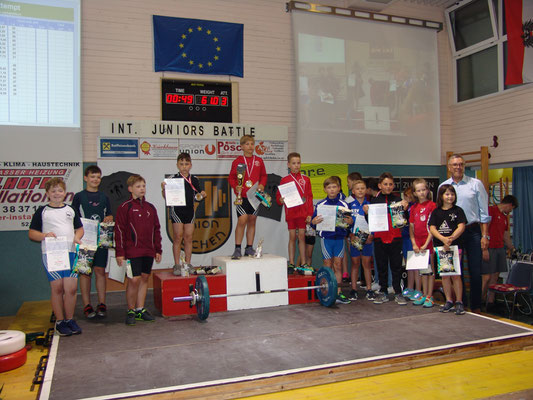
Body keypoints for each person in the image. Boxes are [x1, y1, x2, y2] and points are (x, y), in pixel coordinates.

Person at [29, 177, 84, 336]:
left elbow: (79, 229)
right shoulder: (42, 211)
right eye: (53, 191)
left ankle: (70, 319)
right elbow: (32, 233)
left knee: (71, 288)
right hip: (52, 253)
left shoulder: (71, 210)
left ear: (65, 192)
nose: (57, 193)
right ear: (47, 193)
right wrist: (45, 235)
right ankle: (60, 321)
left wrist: (77, 236)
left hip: (71, 252)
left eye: (60, 190)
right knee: (58, 288)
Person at [441, 154, 490, 312]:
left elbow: (484, 212)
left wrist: (484, 235)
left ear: (464, 166)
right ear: (449, 167)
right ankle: (461, 303)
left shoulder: (476, 184)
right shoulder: (444, 186)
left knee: (475, 271)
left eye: (460, 164)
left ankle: (476, 306)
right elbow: (439, 211)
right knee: (456, 270)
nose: (458, 167)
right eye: (454, 164)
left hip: (473, 231)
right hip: (451, 234)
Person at [115, 175, 162, 326]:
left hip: (148, 251)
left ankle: (140, 309)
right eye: (138, 186)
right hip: (132, 251)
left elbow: (157, 229)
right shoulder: (125, 207)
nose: (142, 189)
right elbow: (119, 231)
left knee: (144, 278)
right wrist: (120, 252)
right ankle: (130, 310)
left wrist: (158, 249)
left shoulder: (150, 208)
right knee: (133, 280)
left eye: (143, 186)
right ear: (130, 189)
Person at [71, 165, 113, 320]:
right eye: (92, 177)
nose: (95, 179)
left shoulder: (104, 197)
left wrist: (109, 218)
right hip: (84, 240)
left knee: (100, 271)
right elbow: (73, 218)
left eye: (98, 177)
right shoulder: (79, 197)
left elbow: (108, 215)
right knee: (85, 273)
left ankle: (102, 303)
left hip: (101, 239)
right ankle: (87, 305)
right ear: (85, 178)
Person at [364, 172, 408, 305]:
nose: (388, 187)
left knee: (396, 267)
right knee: (381, 266)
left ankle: (397, 293)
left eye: (390, 184)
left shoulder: (398, 200)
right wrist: (367, 213)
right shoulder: (375, 201)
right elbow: (371, 222)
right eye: (385, 184)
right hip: (380, 238)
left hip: (395, 238)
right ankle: (383, 291)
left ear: (393, 185)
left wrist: (405, 210)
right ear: (380, 185)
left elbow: (403, 221)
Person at [161, 153, 206, 275]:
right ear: (177, 165)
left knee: (189, 238)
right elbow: (166, 197)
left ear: (190, 165)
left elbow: (197, 197)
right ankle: (176, 264)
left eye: (186, 164)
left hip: (190, 211)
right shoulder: (172, 179)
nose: (184, 167)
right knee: (177, 237)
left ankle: (187, 263)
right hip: (177, 211)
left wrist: (202, 195)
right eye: (181, 164)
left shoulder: (195, 179)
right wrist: (164, 189)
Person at [311, 177, 352, 304]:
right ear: (325, 189)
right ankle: (327, 291)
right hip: (326, 238)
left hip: (339, 238)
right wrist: (314, 222)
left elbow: (350, 222)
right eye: (329, 187)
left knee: (338, 265)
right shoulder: (320, 204)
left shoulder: (344, 205)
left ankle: (338, 293)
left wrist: (350, 221)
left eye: (334, 187)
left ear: (339, 188)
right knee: (327, 265)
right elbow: (313, 223)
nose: (332, 189)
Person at [429, 184, 467, 315]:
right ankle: (449, 301)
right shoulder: (436, 212)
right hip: (441, 247)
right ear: (441, 196)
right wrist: (443, 239)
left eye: (452, 194)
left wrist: (450, 239)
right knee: (445, 276)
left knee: (456, 275)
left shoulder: (458, 211)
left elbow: (461, 226)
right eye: (447, 194)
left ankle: (459, 302)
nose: (450, 196)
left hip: (455, 247)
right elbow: (432, 228)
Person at [228, 135, 268, 259]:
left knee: (252, 220)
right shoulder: (237, 161)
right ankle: (237, 248)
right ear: (241, 146)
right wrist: (236, 187)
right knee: (242, 220)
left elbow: (264, 176)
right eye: (247, 144)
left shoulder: (259, 160)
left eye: (252, 144)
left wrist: (261, 184)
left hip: (255, 197)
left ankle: (249, 247)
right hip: (242, 196)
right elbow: (231, 178)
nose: (250, 146)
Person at [276, 152, 313, 275]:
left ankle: (303, 263)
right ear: (288, 165)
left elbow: (309, 198)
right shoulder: (284, 180)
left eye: (298, 163)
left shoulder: (306, 180)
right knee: (292, 237)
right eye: (293, 163)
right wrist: (280, 200)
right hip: (291, 213)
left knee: (301, 237)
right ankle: (291, 263)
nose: (296, 166)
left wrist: (310, 214)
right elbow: (278, 197)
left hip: (302, 214)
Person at [482, 195, 518, 309]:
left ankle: (490, 300)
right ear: (509, 205)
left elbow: (505, 234)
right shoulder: (491, 210)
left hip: (499, 248)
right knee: (486, 277)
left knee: (495, 276)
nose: (510, 211)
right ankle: (480, 299)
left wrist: (512, 248)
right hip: (489, 247)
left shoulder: (504, 217)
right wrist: (484, 248)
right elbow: (484, 228)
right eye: (511, 209)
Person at [409, 179, 437, 308]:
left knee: (429, 270)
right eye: (418, 190)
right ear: (414, 193)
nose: (421, 193)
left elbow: (433, 227)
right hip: (418, 242)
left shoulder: (432, 206)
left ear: (427, 190)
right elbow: (411, 227)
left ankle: (430, 295)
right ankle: (424, 294)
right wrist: (414, 243)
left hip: (428, 242)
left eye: (423, 190)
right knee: (422, 270)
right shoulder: (414, 207)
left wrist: (426, 244)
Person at [348, 179, 374, 301]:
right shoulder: (349, 205)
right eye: (357, 189)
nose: (360, 191)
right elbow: (345, 223)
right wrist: (350, 234)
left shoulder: (370, 205)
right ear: (353, 191)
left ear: (366, 190)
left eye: (362, 188)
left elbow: (374, 222)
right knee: (355, 264)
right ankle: (353, 289)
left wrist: (371, 235)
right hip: (355, 237)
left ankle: (369, 289)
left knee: (367, 264)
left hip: (367, 238)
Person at [401, 186, 422, 301]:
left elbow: (412, 222)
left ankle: (418, 289)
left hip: (413, 238)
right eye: (405, 196)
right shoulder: (406, 207)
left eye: (408, 196)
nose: (406, 198)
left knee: (416, 266)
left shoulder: (415, 207)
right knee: (409, 265)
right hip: (404, 237)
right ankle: (410, 287)